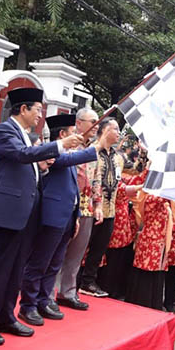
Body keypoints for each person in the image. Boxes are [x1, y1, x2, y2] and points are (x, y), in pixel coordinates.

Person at [0, 88, 83, 346]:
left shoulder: (26, 135)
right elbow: (22, 156)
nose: (40, 116)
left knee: (16, 270)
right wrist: (59, 145)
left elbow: (30, 165)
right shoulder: (4, 130)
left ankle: (6, 316)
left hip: (26, 214)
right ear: (23, 109)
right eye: (38, 110)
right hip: (7, 214)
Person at [17, 114, 102, 326]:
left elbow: (74, 188)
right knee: (39, 262)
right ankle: (28, 305)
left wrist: (76, 216)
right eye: (72, 132)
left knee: (54, 263)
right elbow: (65, 160)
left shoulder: (68, 154)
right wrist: (99, 146)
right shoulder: (51, 153)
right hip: (51, 216)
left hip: (67, 216)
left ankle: (44, 299)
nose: (75, 136)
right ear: (62, 135)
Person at [56, 108, 101, 311]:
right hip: (67, 205)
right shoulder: (68, 143)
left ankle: (68, 292)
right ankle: (46, 294)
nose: (96, 126)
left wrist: (98, 204)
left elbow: (96, 178)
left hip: (87, 207)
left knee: (77, 253)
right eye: (92, 121)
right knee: (57, 251)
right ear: (79, 123)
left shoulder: (93, 149)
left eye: (98, 122)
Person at [78, 118, 123, 298]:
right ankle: (73, 281)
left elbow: (132, 171)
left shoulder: (117, 156)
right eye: (115, 129)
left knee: (98, 249)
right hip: (90, 208)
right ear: (104, 131)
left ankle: (88, 281)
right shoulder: (92, 151)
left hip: (109, 209)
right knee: (82, 246)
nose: (118, 133)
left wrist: (144, 156)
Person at [97, 165, 144, 301]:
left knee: (117, 260)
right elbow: (133, 185)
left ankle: (112, 289)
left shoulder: (121, 180)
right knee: (112, 260)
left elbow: (135, 181)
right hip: (117, 225)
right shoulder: (114, 183)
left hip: (122, 226)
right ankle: (109, 289)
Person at [125, 187, 172, 310]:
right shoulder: (152, 197)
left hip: (158, 239)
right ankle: (144, 303)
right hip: (152, 239)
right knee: (147, 270)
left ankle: (152, 303)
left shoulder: (160, 199)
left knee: (154, 271)